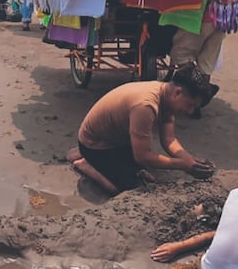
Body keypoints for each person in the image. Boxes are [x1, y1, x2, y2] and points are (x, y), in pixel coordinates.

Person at [69, 65, 217, 195]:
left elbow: (169, 140)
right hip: (96, 144)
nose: (190, 111)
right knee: (128, 190)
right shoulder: (146, 106)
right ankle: (85, 164)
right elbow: (142, 156)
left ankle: (99, 161)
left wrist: (188, 160)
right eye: (190, 105)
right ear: (178, 92)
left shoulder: (166, 94)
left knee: (146, 175)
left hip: (119, 139)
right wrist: (181, 165)